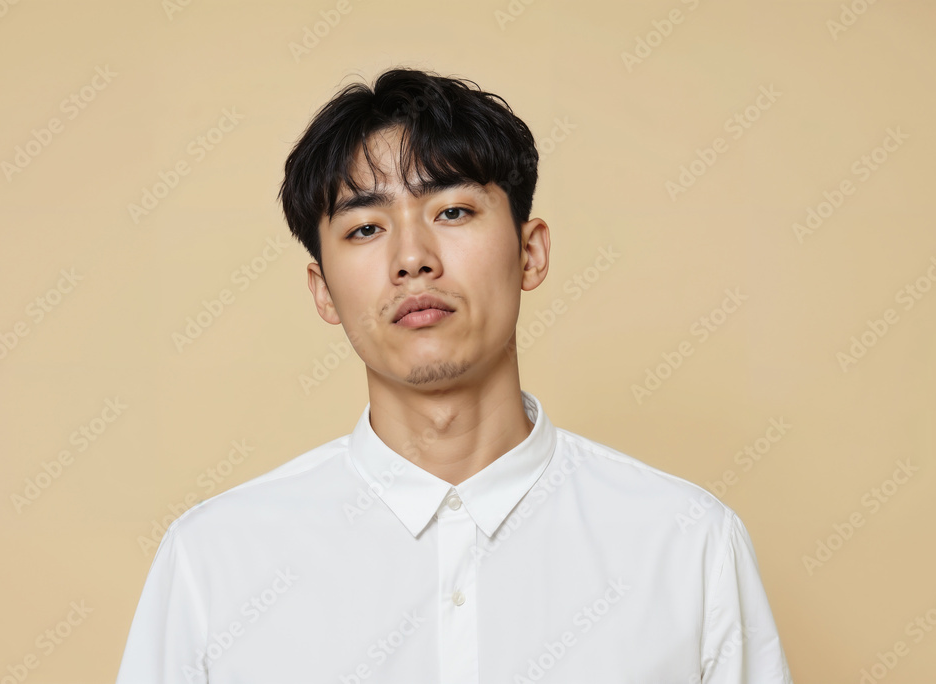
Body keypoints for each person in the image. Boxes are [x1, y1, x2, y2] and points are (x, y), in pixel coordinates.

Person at [115, 67, 794, 683]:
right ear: (323, 292)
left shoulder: (687, 544)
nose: (412, 258)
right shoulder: (215, 561)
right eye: (364, 229)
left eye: (453, 212)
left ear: (530, 253)